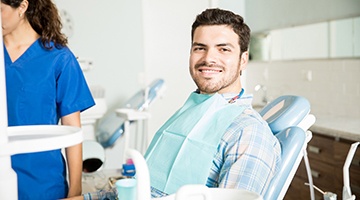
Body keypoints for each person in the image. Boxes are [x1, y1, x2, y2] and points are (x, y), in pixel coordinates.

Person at [67, 8, 281, 200]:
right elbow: (139, 190)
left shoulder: (248, 133)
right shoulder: (190, 112)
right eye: (200, 48)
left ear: (243, 60)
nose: (209, 58)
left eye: (223, 49)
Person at [1, 0, 95, 199]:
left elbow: (73, 130)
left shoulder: (59, 59)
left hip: (42, 184)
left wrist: (75, 191)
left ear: (22, 7)